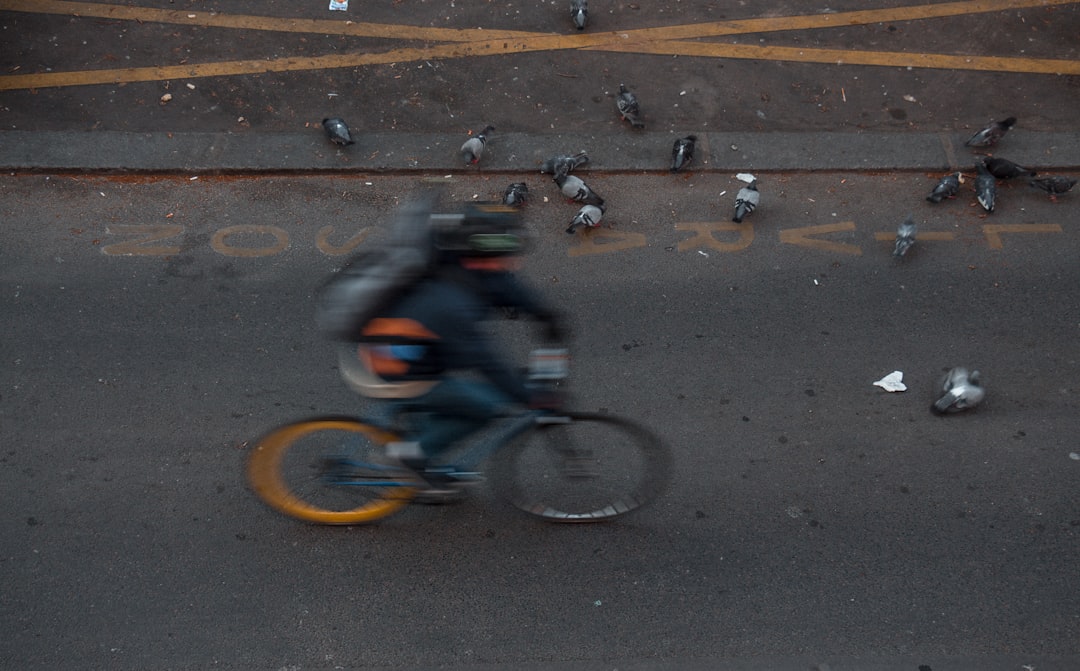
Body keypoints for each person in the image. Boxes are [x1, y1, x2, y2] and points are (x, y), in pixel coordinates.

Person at [341, 203, 565, 493]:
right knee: (486, 406)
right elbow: (485, 360)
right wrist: (529, 396)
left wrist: (543, 313)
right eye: (507, 256)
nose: (515, 262)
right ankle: (410, 458)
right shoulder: (450, 305)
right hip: (396, 368)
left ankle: (422, 446)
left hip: (407, 347)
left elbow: (503, 285)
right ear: (483, 259)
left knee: (458, 400)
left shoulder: (460, 263)